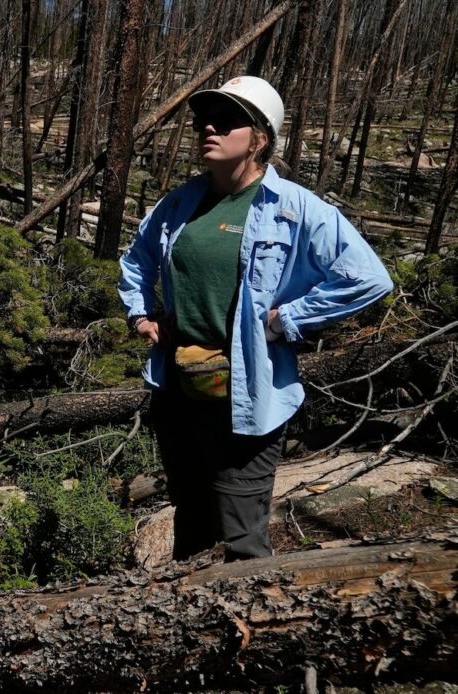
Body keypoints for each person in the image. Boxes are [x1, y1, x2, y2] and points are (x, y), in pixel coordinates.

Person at [118, 76, 393, 561]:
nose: (208, 129)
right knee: (192, 519)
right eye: (204, 121)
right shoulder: (181, 203)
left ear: (260, 138)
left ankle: (259, 622)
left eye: (226, 122)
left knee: (243, 534)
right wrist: (141, 314)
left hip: (247, 395)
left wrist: (287, 320)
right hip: (179, 388)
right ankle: (179, 624)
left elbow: (367, 278)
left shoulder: (294, 208)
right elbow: (137, 259)